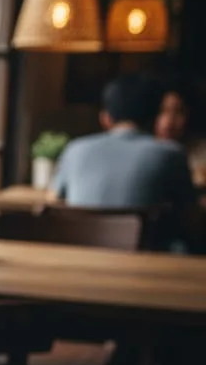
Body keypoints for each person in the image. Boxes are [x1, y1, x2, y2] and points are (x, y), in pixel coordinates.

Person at [52, 74, 199, 250]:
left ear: (105, 118)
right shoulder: (171, 154)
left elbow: (53, 203)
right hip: (146, 266)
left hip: (79, 259)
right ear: (155, 116)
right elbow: (193, 222)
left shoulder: (75, 149)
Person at [155, 83, 206, 193]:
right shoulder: (144, 151)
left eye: (179, 112)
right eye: (163, 111)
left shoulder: (202, 151)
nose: (169, 122)